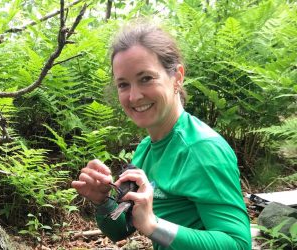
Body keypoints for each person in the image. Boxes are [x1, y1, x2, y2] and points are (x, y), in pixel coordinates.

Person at [71, 21, 251, 250]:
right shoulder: (146, 149)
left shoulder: (201, 149)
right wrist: (102, 200)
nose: (134, 96)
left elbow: (238, 244)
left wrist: (153, 225)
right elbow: (121, 230)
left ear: (177, 77)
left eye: (146, 78)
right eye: (124, 84)